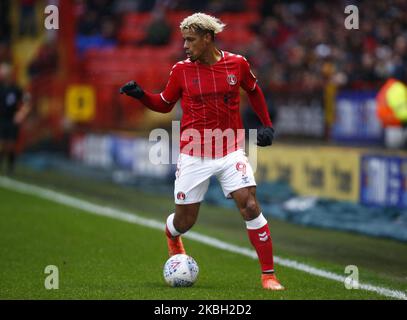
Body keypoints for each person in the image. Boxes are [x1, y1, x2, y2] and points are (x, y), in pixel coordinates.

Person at [120, 13, 284, 290]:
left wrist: (266, 125)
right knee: (185, 221)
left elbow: (254, 90)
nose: (185, 46)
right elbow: (164, 104)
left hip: (230, 149)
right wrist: (141, 96)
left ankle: (268, 275)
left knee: (250, 205)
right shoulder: (181, 70)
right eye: (184, 40)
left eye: (190, 40)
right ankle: (172, 235)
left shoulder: (237, 64)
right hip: (194, 153)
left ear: (208, 39)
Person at [0, 63, 31, 175]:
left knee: (11, 145)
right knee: (2, 143)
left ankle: (10, 168)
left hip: (11, 120)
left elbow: (27, 100)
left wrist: (21, 114)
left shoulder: (16, 89)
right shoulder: (1, 88)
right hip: (1, 119)